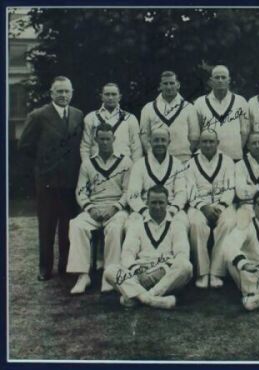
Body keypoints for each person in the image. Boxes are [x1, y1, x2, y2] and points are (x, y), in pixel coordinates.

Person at [18, 76, 84, 281]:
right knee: (47, 226)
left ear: (72, 93)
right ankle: (45, 268)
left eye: (67, 91)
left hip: (71, 181)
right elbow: (25, 146)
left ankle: (66, 266)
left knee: (68, 226)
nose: (63, 95)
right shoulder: (38, 115)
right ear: (51, 93)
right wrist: (43, 165)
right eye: (59, 91)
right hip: (48, 181)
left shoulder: (77, 114)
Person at [67, 123, 132, 294]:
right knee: (76, 225)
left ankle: (108, 275)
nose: (104, 142)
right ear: (96, 140)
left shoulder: (125, 162)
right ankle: (82, 275)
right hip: (94, 208)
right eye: (101, 139)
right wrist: (90, 208)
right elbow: (80, 191)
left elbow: (128, 192)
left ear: (114, 139)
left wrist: (114, 207)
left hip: (116, 209)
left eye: (107, 139)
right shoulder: (88, 164)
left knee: (115, 228)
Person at [103, 185, 193, 310]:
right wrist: (138, 271)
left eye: (161, 203)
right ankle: (153, 300)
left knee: (186, 266)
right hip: (139, 275)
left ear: (168, 203)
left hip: (165, 275)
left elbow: (182, 254)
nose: (157, 207)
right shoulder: (137, 224)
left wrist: (161, 270)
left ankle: (139, 297)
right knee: (110, 271)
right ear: (147, 203)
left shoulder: (177, 225)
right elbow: (127, 254)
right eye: (153, 203)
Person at [186, 129, 237, 288]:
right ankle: (203, 273)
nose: (207, 145)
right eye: (204, 142)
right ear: (199, 143)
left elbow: (230, 188)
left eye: (211, 141)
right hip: (199, 205)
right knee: (196, 224)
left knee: (228, 223)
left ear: (217, 143)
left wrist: (221, 206)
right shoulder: (190, 162)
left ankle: (216, 272)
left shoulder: (227, 161)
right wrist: (203, 207)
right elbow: (190, 189)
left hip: (223, 204)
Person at [127, 127, 187, 224]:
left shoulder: (177, 164)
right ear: (150, 142)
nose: (159, 143)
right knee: (131, 224)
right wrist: (144, 211)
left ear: (169, 142)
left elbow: (181, 192)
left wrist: (173, 209)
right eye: (156, 140)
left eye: (163, 140)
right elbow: (132, 194)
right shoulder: (139, 164)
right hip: (146, 207)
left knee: (182, 223)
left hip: (170, 207)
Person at [140, 71, 199, 163]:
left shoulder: (189, 107)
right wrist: (151, 154)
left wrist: (186, 153)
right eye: (165, 83)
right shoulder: (148, 108)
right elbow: (144, 136)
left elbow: (194, 136)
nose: (168, 87)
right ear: (160, 86)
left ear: (178, 85)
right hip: (156, 159)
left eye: (172, 83)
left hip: (182, 159)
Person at [193, 65, 250, 161]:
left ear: (229, 80)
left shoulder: (240, 101)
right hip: (208, 159)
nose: (220, 80)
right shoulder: (200, 102)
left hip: (234, 157)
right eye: (217, 77)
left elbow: (244, 131)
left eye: (223, 77)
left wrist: (234, 148)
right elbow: (196, 133)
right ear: (211, 81)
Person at [80, 83, 142, 162]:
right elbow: (85, 146)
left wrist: (135, 169)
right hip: (97, 167)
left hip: (124, 167)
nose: (110, 97)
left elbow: (136, 147)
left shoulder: (130, 118)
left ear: (120, 97)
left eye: (114, 94)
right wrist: (87, 166)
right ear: (101, 97)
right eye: (107, 94)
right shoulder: (91, 117)